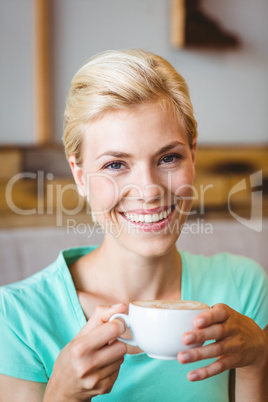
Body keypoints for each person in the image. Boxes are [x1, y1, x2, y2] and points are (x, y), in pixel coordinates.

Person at [0, 49, 267, 402]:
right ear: (80, 176)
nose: (150, 191)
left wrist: (257, 361)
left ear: (193, 155)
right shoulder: (18, 318)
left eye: (168, 158)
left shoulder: (242, 287)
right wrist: (62, 395)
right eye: (115, 165)